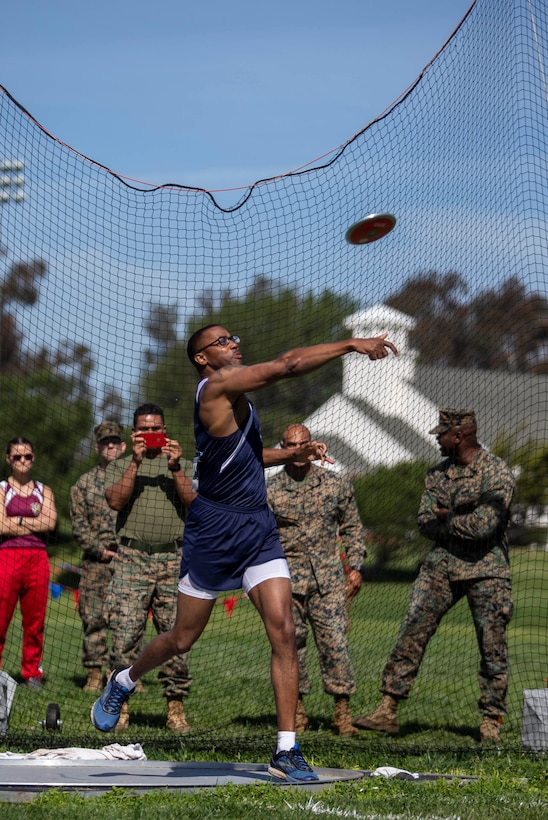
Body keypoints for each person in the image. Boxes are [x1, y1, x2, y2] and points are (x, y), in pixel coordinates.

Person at [92, 326, 397, 781]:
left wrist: (294, 453)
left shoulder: (237, 400)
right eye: (222, 341)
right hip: (214, 530)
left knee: (285, 631)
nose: (234, 342)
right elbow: (288, 364)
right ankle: (124, 680)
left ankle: (286, 749)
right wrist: (352, 345)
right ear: (202, 359)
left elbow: (249, 455)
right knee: (181, 638)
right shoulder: (215, 388)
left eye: (233, 337)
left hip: (257, 526)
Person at [353, 408, 515, 743]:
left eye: (441, 434)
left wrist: (449, 516)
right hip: (441, 565)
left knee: (492, 643)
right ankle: (388, 709)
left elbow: (486, 526)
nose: (437, 440)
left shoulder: (497, 472)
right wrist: (458, 516)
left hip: (488, 569)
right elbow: (425, 522)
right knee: (412, 630)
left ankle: (491, 719)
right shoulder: (437, 475)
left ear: (459, 435)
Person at [266, 423, 366, 737]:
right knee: (289, 647)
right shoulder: (270, 490)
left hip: (328, 580)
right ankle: (296, 714)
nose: (298, 452)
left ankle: (343, 715)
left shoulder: (336, 484)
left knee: (335, 644)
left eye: (303, 444)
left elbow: (352, 528)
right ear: (282, 447)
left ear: (314, 445)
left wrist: (356, 566)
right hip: (286, 580)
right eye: (291, 446)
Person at [103, 403, 195, 732]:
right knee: (125, 636)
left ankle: (175, 709)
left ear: (165, 431)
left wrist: (175, 468)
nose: (151, 434)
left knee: (175, 637)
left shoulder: (182, 464)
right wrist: (136, 463)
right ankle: (120, 706)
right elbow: (115, 500)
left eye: (156, 429)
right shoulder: (122, 465)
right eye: (144, 429)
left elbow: (195, 503)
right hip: (132, 559)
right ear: (134, 433)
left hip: (173, 559)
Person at [69, 420, 127, 692]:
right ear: (97, 447)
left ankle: (126, 677)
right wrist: (98, 549)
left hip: (129, 562)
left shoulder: (134, 478)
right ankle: (94, 673)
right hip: (96, 563)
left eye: (115, 440)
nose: (111, 445)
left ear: (124, 446)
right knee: (93, 618)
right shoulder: (83, 484)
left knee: (128, 621)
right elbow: (78, 523)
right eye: (106, 442)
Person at [0, 437, 57, 689]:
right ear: (8, 459)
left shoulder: (44, 491)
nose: (22, 461)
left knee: (35, 621)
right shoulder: (2, 489)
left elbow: (51, 523)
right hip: (7, 558)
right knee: (1, 618)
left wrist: (17, 523)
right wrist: (32, 521)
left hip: (38, 559)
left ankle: (32, 672)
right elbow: (1, 525)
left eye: (27, 456)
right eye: (17, 457)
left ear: (33, 458)